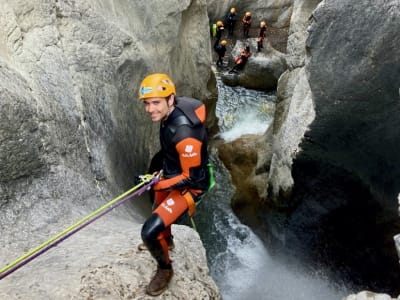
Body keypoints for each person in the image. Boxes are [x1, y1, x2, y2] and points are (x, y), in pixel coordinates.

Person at [137, 73, 211, 296]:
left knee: (149, 232)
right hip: (172, 174)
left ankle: (164, 269)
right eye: (147, 104)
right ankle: (167, 242)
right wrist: (156, 175)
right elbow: (170, 154)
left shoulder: (185, 133)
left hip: (190, 185)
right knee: (158, 211)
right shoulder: (170, 112)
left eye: (156, 103)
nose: (150, 109)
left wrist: (157, 185)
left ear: (170, 100)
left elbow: (191, 177)